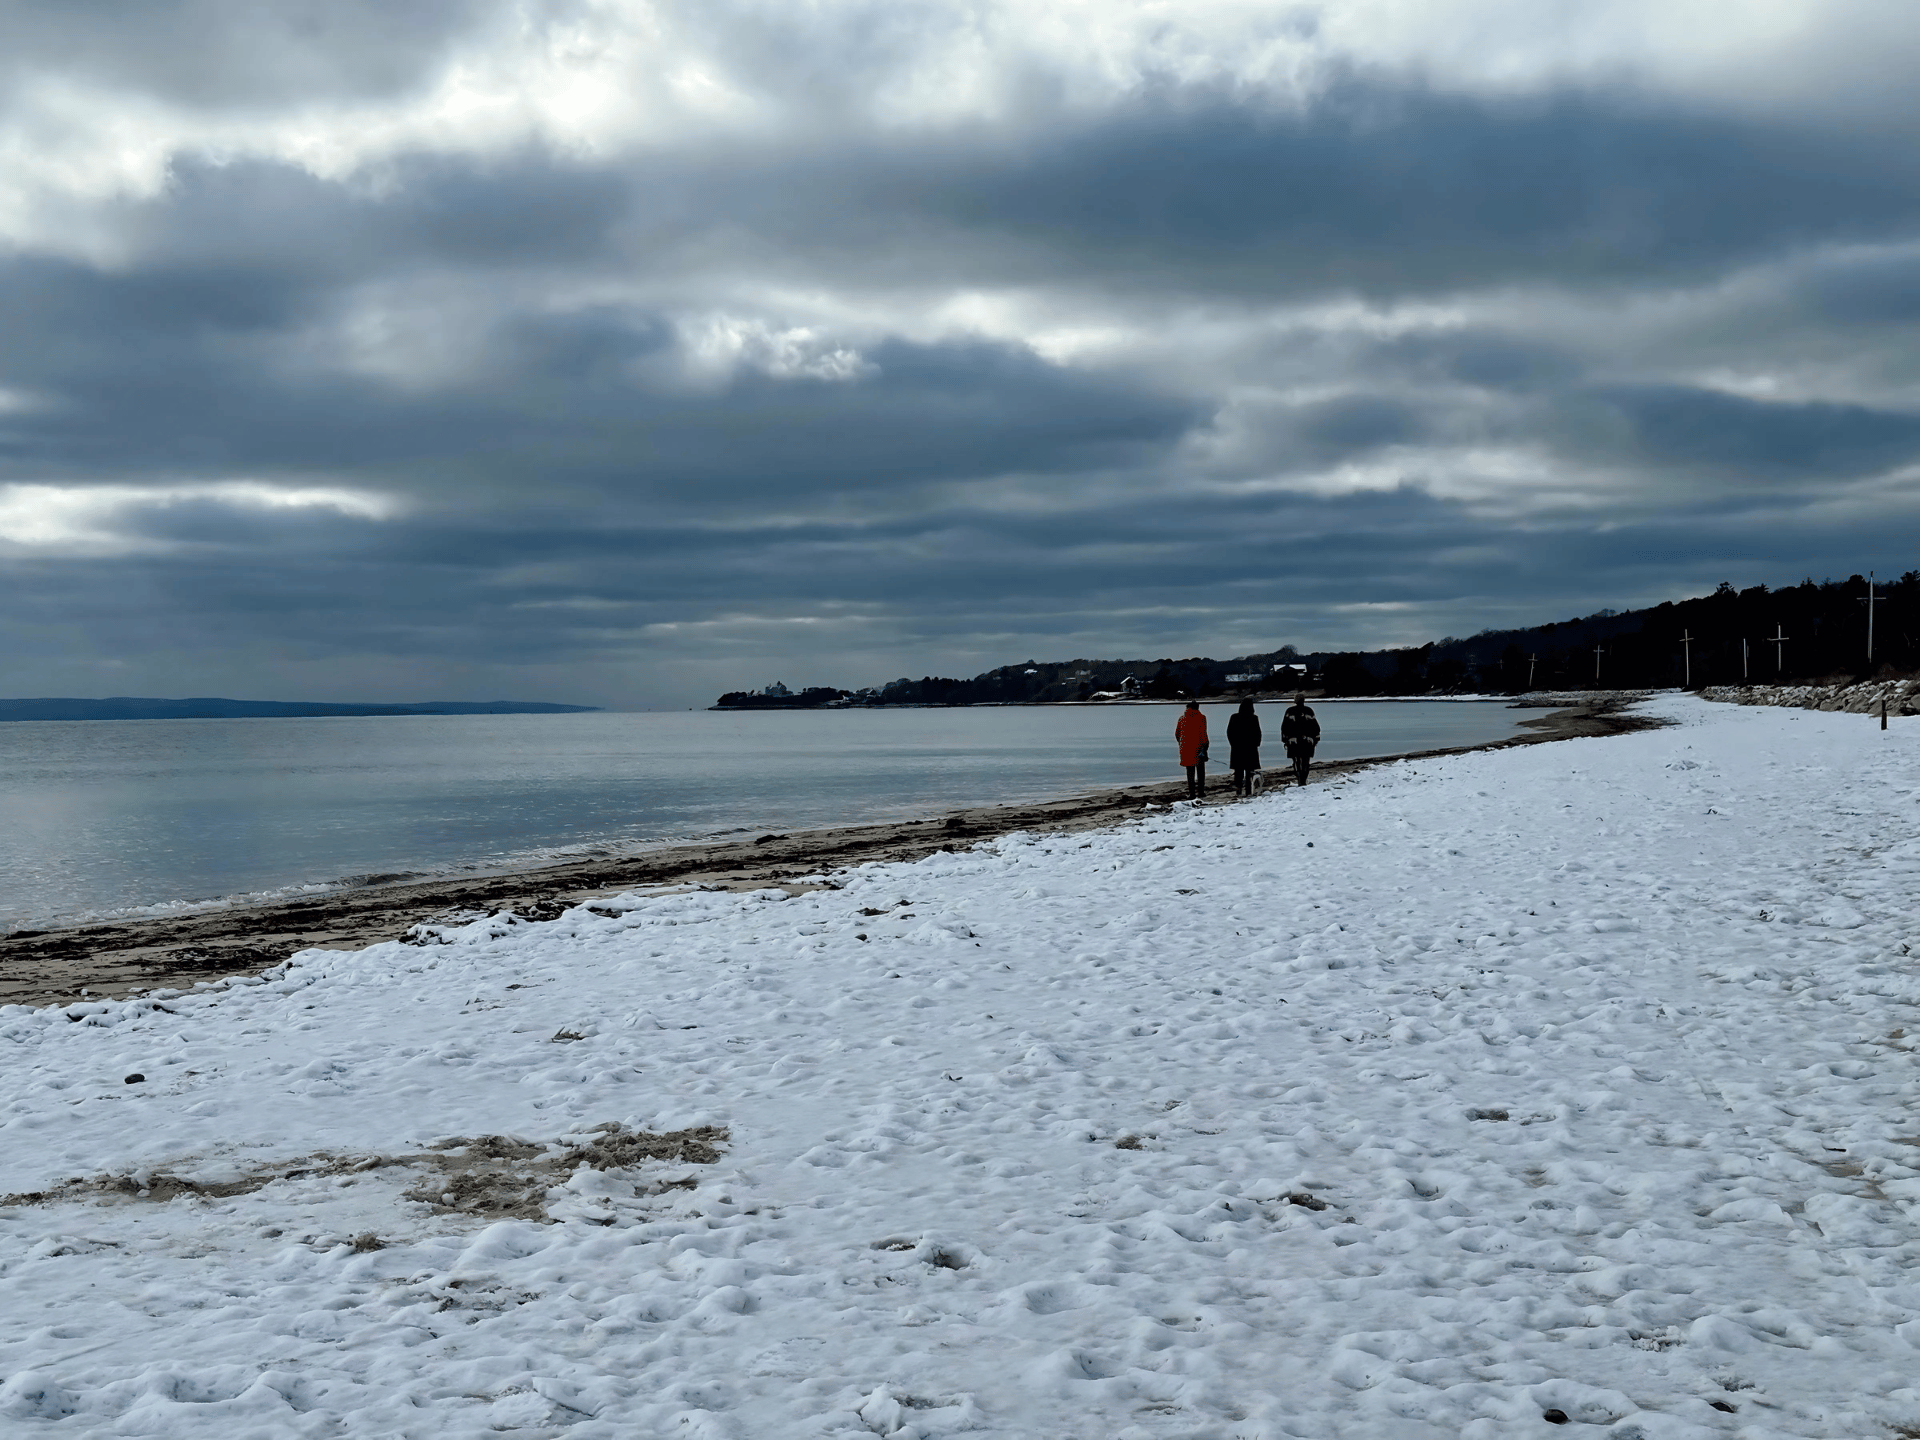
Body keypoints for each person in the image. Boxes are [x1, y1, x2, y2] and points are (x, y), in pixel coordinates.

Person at [1280, 692, 1320, 787]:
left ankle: (1299, 780)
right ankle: (1303, 780)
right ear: (1303, 700)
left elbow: (1284, 727)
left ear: (1295, 701)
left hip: (1294, 742)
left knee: (1296, 761)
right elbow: (1315, 727)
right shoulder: (1309, 711)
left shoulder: (1289, 711)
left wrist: (1285, 740)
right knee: (1306, 761)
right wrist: (1316, 739)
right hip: (1307, 741)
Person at [1174, 700, 1209, 802]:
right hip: (1199, 747)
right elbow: (1203, 734)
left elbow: (1177, 734)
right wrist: (1205, 746)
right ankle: (1201, 792)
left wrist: (1182, 744)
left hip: (1185, 748)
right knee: (1200, 770)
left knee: (1190, 771)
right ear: (1197, 707)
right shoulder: (1201, 718)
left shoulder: (1182, 719)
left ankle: (1192, 793)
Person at [1226, 698, 1262, 796]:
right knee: (1249, 770)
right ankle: (1248, 790)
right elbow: (1258, 733)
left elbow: (1229, 732)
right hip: (1250, 748)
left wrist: (1233, 744)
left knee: (1238, 770)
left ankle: (1238, 788)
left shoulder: (1234, 717)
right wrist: (1257, 744)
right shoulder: (1254, 718)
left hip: (1237, 748)